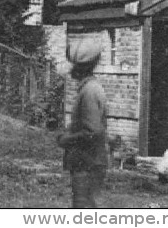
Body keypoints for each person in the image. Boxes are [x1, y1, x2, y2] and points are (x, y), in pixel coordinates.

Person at [57, 37, 108, 208]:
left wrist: (66, 140)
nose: (71, 69)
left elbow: (92, 132)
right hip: (86, 162)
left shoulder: (89, 91)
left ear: (83, 67)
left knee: (85, 209)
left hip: (88, 163)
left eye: (75, 65)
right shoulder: (88, 88)